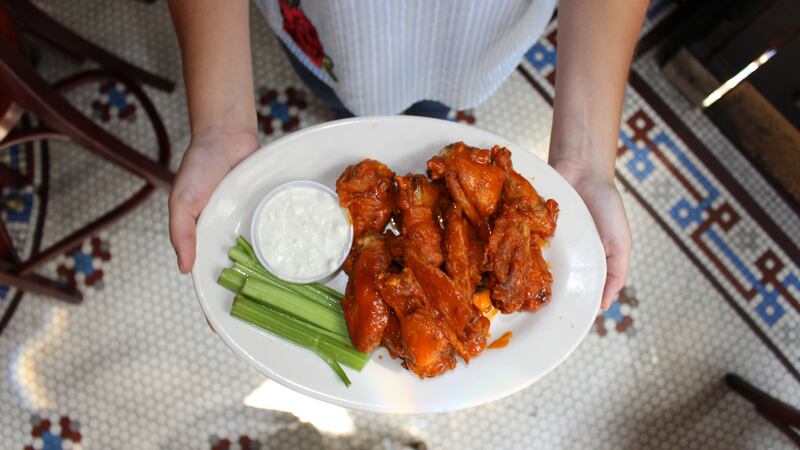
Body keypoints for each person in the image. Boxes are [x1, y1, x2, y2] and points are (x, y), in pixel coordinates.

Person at [166, 0, 646, 311]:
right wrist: (221, 122)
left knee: (435, 104)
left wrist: (586, 158)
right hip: (333, 25)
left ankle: (410, 105)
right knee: (344, 86)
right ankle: (351, 102)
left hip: (476, 34)